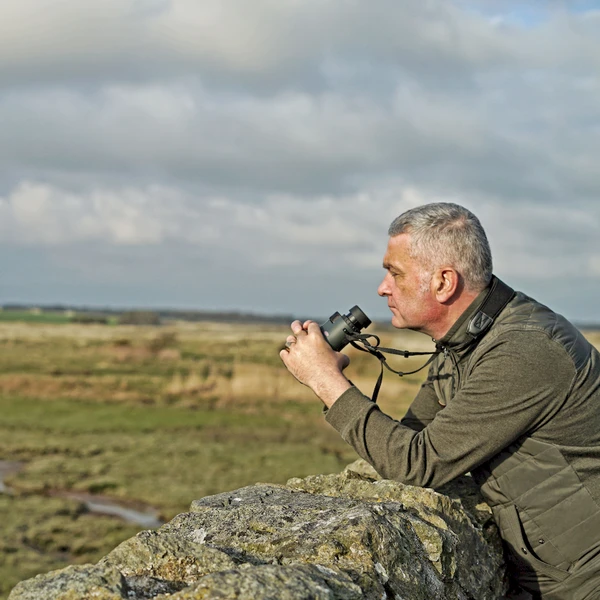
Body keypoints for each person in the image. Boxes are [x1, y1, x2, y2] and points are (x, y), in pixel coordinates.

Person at [279, 203, 600, 600]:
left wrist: (326, 381)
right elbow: (413, 438)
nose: (383, 287)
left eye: (395, 273)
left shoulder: (524, 350)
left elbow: (417, 463)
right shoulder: (466, 341)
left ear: (444, 282)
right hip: (547, 572)